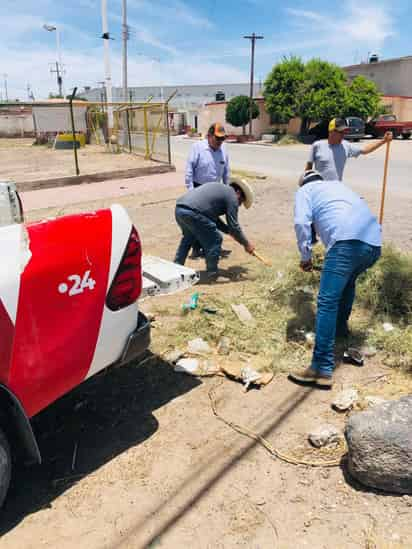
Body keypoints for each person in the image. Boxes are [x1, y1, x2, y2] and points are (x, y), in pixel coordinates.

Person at [289, 170, 381, 388]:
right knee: (347, 284)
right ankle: (340, 331)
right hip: (373, 244)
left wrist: (306, 256)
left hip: (346, 243)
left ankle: (321, 367)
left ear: (303, 183)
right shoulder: (339, 187)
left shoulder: (305, 190)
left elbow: (301, 222)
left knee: (326, 302)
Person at [174, 179, 255, 280]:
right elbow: (234, 225)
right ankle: (212, 273)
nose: (239, 205)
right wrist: (246, 244)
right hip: (193, 213)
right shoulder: (232, 197)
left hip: (180, 209)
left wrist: (228, 231)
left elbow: (214, 219)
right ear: (238, 193)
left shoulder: (222, 190)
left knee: (189, 238)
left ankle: (176, 268)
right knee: (215, 238)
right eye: (241, 201)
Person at [185, 122, 230, 259]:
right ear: (209, 136)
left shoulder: (223, 151)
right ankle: (196, 249)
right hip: (199, 188)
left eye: (222, 139)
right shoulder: (197, 147)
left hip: (215, 191)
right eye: (218, 138)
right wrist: (191, 190)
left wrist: (227, 191)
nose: (220, 142)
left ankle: (213, 246)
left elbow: (226, 173)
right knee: (198, 221)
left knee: (213, 220)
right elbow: (189, 169)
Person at [305, 118, 392, 181]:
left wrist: (383, 141)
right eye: (340, 132)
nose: (343, 134)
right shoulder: (317, 146)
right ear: (331, 132)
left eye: (344, 132)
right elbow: (308, 169)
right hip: (319, 189)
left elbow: (365, 150)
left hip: (336, 190)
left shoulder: (345, 146)